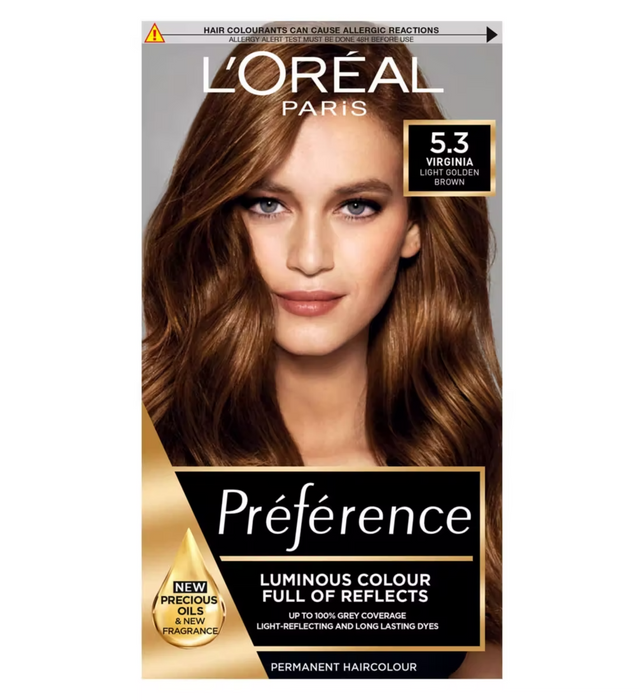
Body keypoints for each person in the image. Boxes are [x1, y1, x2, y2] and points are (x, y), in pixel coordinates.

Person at [143, 42, 502, 677]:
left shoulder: (494, 473)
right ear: (221, 218)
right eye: (267, 203)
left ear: (415, 225)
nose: (309, 257)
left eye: (357, 206)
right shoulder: (143, 466)